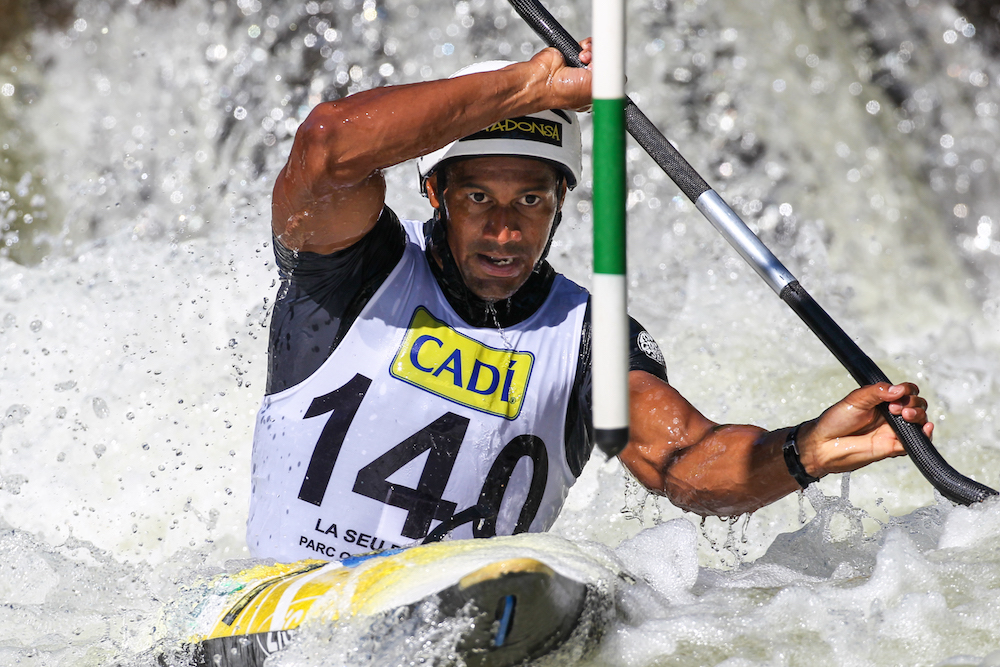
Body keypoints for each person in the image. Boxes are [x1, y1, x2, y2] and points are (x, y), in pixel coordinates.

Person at [246, 43, 931, 563]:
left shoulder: (589, 338)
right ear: (436, 195)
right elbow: (327, 145)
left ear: (563, 203)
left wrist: (804, 447)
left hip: (461, 623)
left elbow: (689, 461)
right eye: (479, 197)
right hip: (289, 601)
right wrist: (534, 83)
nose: (506, 229)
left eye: (533, 200)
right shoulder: (348, 272)